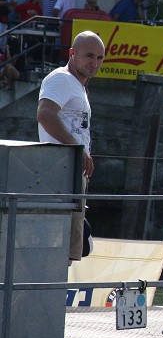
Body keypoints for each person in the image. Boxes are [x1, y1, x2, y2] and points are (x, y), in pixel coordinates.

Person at [37, 31, 105, 262]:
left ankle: (54, 294)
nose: (94, 62)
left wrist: (81, 151)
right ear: (72, 54)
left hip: (73, 171)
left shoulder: (77, 85)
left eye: (99, 57)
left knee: (71, 247)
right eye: (88, 55)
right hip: (61, 171)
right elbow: (45, 114)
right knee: (61, 246)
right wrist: (77, 148)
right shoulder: (62, 79)